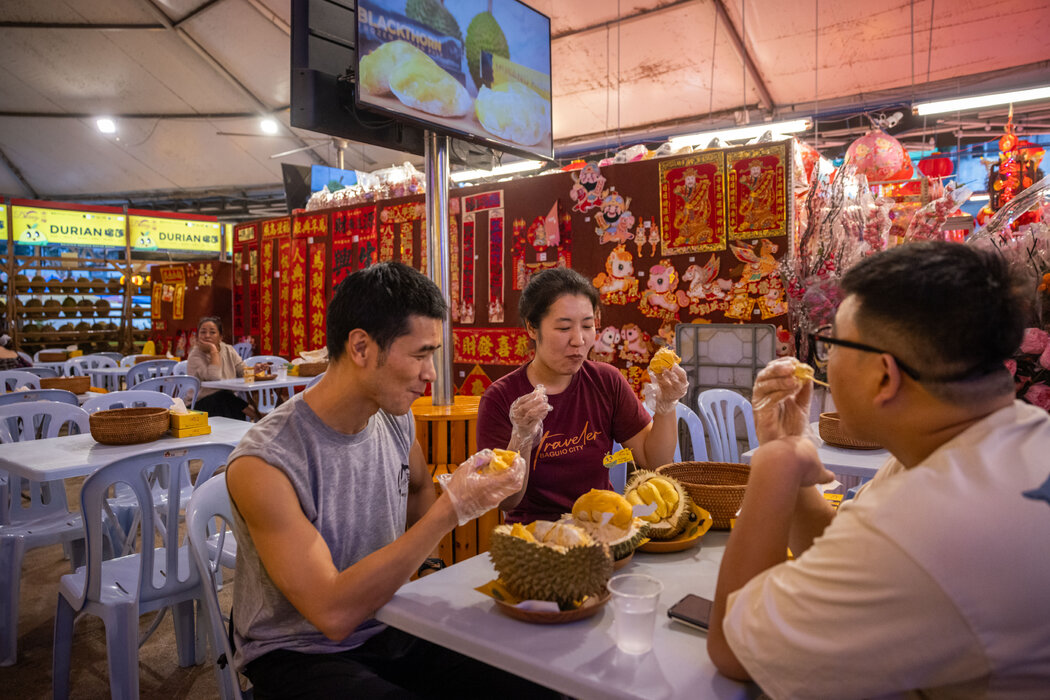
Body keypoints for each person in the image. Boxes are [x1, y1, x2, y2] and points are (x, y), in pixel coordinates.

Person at [707, 241, 1050, 698]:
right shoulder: (1012, 435)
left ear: (884, 376)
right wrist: (787, 443)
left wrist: (775, 465)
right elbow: (845, 558)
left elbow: (735, 652)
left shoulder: (926, 523)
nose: (823, 362)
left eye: (831, 345)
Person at [225, 262, 551, 699]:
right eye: (420, 354)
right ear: (361, 347)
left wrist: (463, 494)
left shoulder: (394, 421)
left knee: (532, 675)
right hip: (300, 652)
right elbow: (332, 613)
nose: (432, 373)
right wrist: (450, 509)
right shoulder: (265, 462)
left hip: (390, 619)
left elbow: (418, 492)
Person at [476, 267, 688, 524]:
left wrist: (666, 406)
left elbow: (655, 461)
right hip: (534, 536)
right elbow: (506, 501)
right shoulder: (502, 398)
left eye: (588, 326)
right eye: (564, 328)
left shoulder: (606, 381)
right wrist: (521, 438)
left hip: (604, 526)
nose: (578, 340)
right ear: (532, 328)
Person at [186, 315, 254, 419]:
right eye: (203, 332)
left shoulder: (228, 350)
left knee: (228, 400)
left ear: (220, 337)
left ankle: (258, 417)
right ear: (198, 336)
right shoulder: (195, 355)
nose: (207, 336)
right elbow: (215, 377)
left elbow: (242, 370)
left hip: (225, 400)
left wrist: (255, 370)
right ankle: (259, 416)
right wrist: (213, 350)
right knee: (224, 398)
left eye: (212, 332)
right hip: (197, 404)